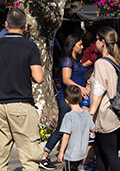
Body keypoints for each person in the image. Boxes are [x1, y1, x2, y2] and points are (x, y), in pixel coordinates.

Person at [0, 8, 44, 171]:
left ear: (6, 24)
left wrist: (0, 73)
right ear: (26, 25)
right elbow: (38, 77)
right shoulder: (30, 47)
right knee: (29, 159)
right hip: (21, 104)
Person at [40, 34, 89, 171]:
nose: (82, 47)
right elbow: (66, 79)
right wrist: (82, 88)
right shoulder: (67, 61)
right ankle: (44, 156)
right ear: (73, 45)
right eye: (79, 44)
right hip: (66, 99)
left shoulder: (76, 60)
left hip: (75, 99)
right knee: (62, 129)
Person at [89, 27, 120, 171]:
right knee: (100, 153)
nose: (95, 43)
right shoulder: (118, 62)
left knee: (110, 154)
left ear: (103, 42)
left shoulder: (101, 63)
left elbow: (99, 90)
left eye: (96, 40)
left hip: (105, 114)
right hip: (116, 113)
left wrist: (90, 114)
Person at [56, 85, 95, 171]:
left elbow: (66, 135)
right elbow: (93, 128)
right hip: (82, 152)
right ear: (81, 99)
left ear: (66, 101)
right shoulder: (86, 113)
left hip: (71, 154)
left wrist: (61, 152)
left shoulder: (69, 116)